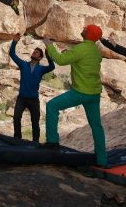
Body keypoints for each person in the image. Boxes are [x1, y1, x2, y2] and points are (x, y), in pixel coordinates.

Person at [42, 24, 107, 167]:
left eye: (85, 29)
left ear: (88, 34)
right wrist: (68, 52)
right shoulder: (96, 51)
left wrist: (49, 45)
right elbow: (82, 60)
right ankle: (102, 160)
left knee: (52, 106)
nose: (82, 29)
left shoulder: (80, 49)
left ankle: (52, 142)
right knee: (96, 126)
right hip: (94, 93)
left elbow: (60, 60)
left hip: (80, 92)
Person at [8, 34, 55, 143]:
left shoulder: (42, 69)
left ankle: (35, 142)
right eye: (34, 51)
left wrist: (48, 54)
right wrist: (14, 41)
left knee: (35, 123)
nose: (34, 52)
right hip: (22, 98)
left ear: (39, 58)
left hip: (34, 99)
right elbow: (12, 54)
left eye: (37, 52)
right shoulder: (23, 64)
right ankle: (17, 139)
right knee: (16, 118)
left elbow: (52, 67)